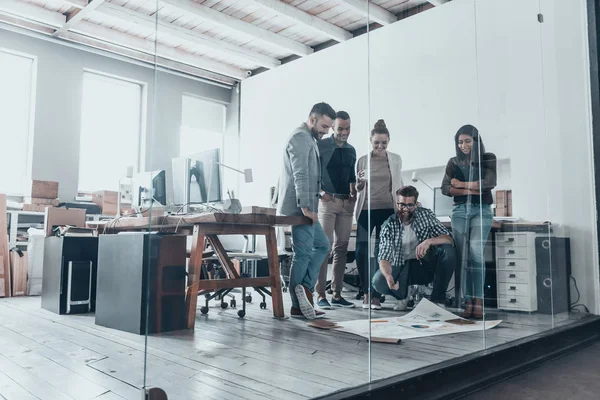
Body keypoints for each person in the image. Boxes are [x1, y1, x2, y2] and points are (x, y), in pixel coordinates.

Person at [275, 102, 336, 319]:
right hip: (302, 208)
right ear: (312, 119)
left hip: (308, 205)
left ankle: (305, 291)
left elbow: (308, 174)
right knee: (303, 254)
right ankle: (297, 304)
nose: (326, 131)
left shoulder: (307, 137)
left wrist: (319, 193)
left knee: (322, 245)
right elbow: (300, 174)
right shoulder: (300, 137)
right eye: (324, 126)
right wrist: (305, 208)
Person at [441, 124, 497, 319]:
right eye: (460, 142)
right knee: (462, 255)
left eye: (467, 141)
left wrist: (461, 185)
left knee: (476, 252)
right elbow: (445, 189)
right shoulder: (454, 162)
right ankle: (467, 301)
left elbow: (489, 183)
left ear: (476, 141)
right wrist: (472, 189)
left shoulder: (488, 158)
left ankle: (479, 300)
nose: (463, 145)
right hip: (459, 211)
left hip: (481, 210)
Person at [372, 186, 456, 311]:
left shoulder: (425, 215)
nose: (405, 209)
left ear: (416, 204)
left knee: (448, 251)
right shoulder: (388, 225)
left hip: (423, 265)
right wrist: (388, 275)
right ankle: (402, 296)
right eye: (402, 205)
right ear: (397, 203)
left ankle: (437, 300)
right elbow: (384, 256)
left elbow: (449, 239)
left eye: (410, 205)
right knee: (379, 281)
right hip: (400, 267)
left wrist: (428, 241)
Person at [354, 119, 404, 310]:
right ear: (370, 141)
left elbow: (398, 184)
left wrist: (402, 207)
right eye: (376, 143)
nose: (380, 146)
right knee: (361, 251)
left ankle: (375, 296)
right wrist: (359, 184)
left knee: (380, 252)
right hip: (366, 210)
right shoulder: (362, 160)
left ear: (389, 141)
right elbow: (358, 187)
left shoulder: (396, 159)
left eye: (384, 143)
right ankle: (366, 292)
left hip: (386, 210)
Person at [315, 111, 357, 309]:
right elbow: (312, 171)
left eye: (348, 128)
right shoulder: (321, 146)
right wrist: (321, 192)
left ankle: (337, 294)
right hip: (327, 202)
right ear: (333, 127)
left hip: (345, 204)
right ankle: (320, 294)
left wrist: (354, 194)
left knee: (341, 248)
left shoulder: (351, 150)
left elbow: (351, 177)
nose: (345, 132)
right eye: (341, 128)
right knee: (324, 247)